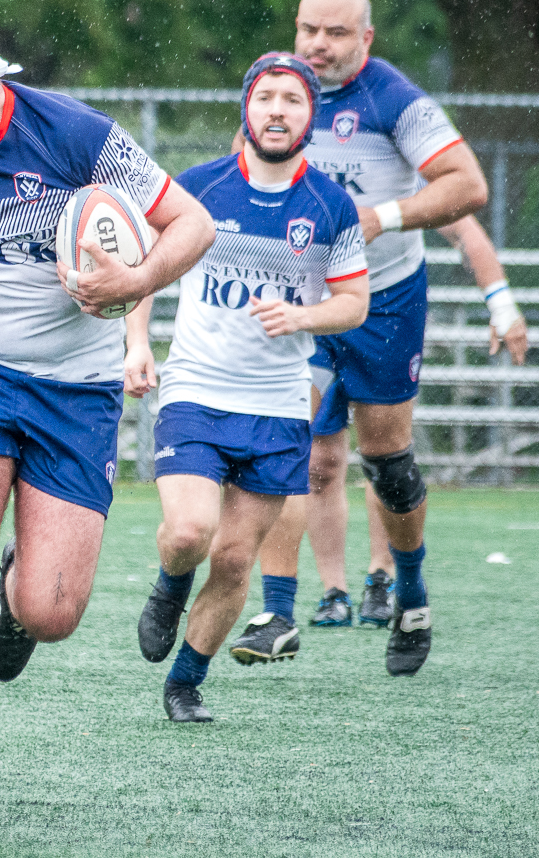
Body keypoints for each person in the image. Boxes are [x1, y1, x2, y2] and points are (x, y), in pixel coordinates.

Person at [0, 3, 213, 844]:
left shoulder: (74, 135)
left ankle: (18, 604)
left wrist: (135, 283)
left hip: (77, 392)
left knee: (51, 612)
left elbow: (191, 223)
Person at [251, 0, 487, 676]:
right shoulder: (280, 90)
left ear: (366, 39)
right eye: (308, 30)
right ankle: (280, 610)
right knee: (287, 441)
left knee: (386, 461)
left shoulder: (393, 100)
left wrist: (381, 215)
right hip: (304, 303)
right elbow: (241, 176)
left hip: (385, 297)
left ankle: (410, 592)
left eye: (335, 34)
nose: (318, 46)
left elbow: (467, 185)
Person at [124, 54, 369, 722]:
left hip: (276, 407)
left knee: (234, 560)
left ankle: (184, 683)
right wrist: (138, 343)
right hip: (197, 392)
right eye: (266, 98)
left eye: (293, 100)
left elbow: (354, 303)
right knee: (188, 532)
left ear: (310, 116)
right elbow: (144, 271)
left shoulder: (329, 205)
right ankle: (171, 587)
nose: (278, 110)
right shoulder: (199, 188)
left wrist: (305, 316)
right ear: (247, 109)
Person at [255, 212, 525, 631]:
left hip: (387, 305)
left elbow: (463, 220)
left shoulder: (404, 149)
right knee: (311, 459)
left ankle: (382, 578)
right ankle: (327, 594)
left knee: (382, 458)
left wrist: (500, 302)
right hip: (313, 306)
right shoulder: (290, 149)